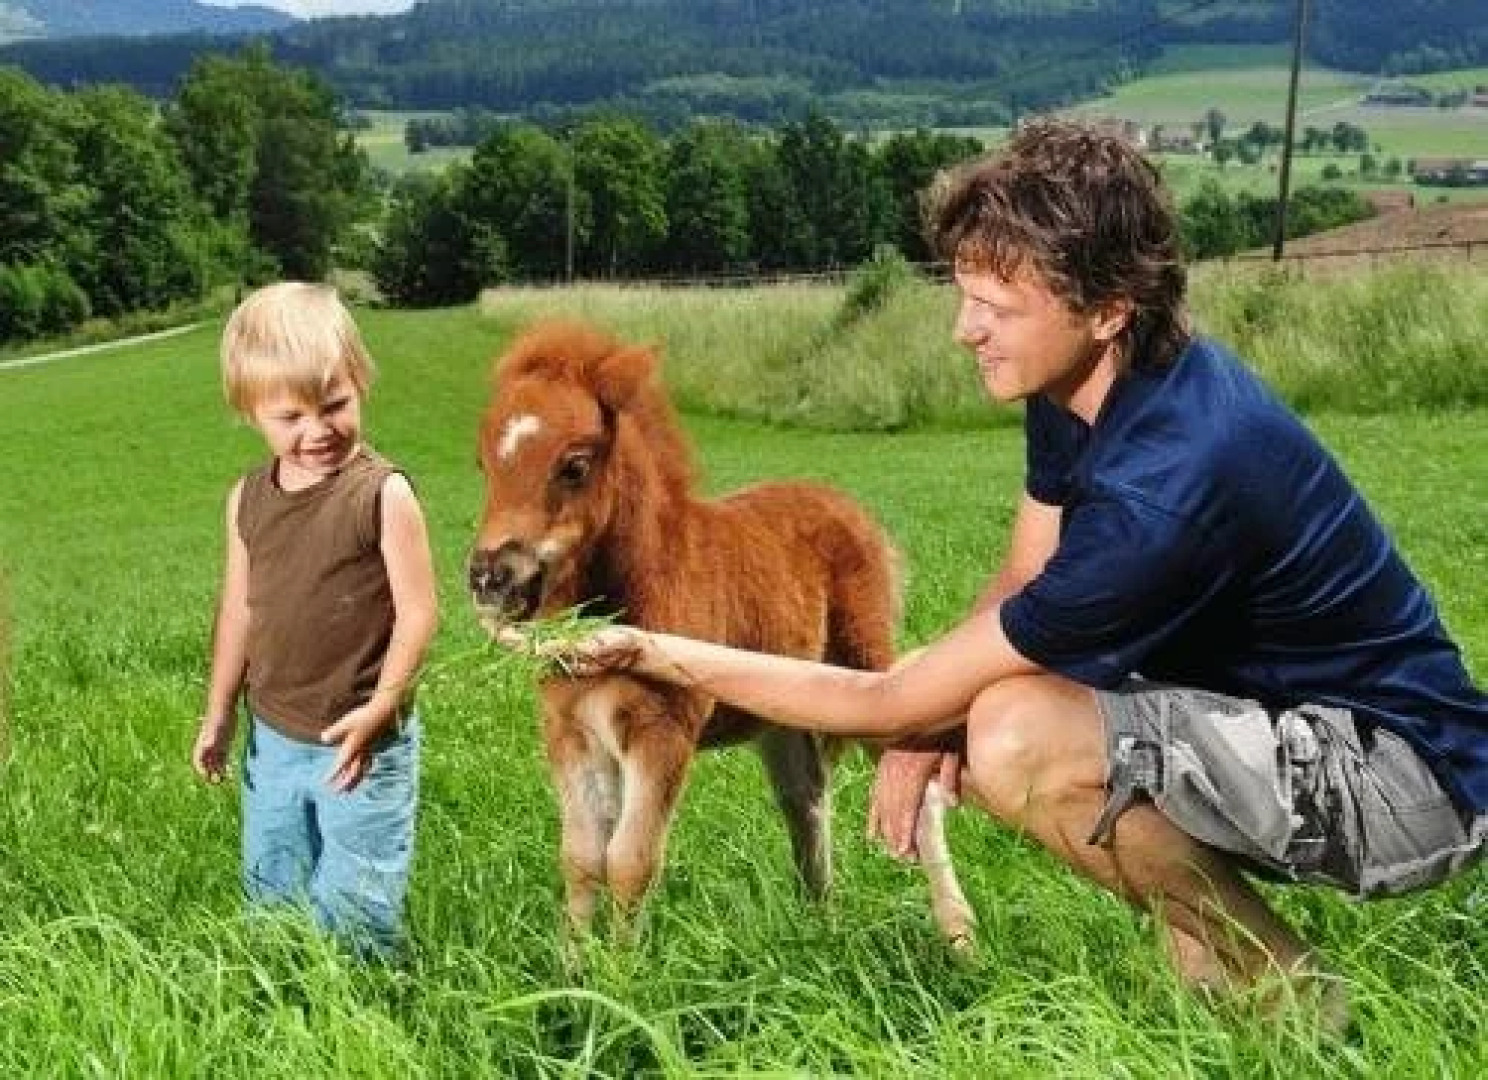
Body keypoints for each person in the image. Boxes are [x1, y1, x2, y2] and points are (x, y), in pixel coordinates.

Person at [504, 120, 1488, 1019]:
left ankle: (1295, 993)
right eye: (964, 296)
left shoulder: (1167, 483)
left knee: (1014, 732)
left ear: (1107, 307)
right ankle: (1215, 982)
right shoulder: (1087, 390)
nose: (963, 329)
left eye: (995, 306)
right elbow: (1022, 576)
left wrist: (658, 650)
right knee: (999, 712)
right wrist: (924, 722)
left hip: (1402, 780)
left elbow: (888, 697)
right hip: (1283, 730)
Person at [192, 282, 438, 960]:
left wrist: (382, 708)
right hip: (271, 740)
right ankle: (283, 1004)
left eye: (334, 405)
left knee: (356, 902)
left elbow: (420, 612)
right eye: (289, 416)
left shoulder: (383, 494)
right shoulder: (247, 499)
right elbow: (239, 609)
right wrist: (218, 713)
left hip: (360, 744)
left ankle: (361, 1016)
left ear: (360, 381)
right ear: (250, 413)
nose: (317, 431)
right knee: (272, 888)